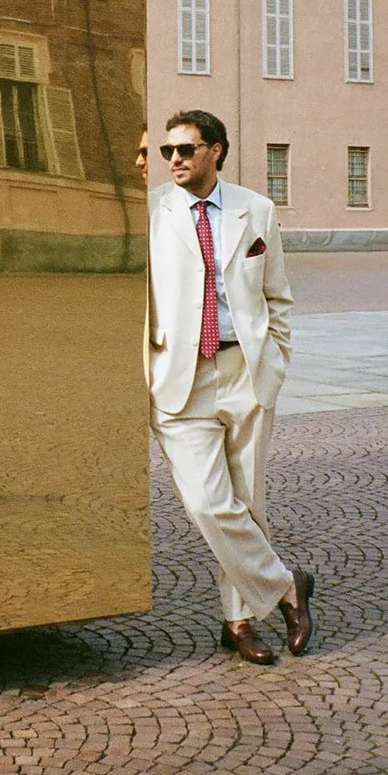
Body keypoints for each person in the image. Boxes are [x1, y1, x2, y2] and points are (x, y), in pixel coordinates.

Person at [146, 110, 314, 664]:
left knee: (247, 503)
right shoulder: (152, 213)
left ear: (215, 151)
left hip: (245, 371)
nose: (175, 159)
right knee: (208, 502)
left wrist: (274, 364)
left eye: (186, 149)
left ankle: (238, 622)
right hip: (180, 379)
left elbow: (278, 297)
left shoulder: (255, 209)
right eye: (169, 150)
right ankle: (288, 587)